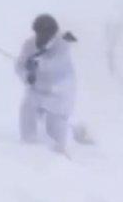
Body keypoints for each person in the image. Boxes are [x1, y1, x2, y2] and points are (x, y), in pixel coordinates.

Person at [15, 14, 77, 152]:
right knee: (27, 108)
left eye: (47, 34)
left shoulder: (63, 45)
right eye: (40, 33)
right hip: (37, 91)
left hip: (59, 94)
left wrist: (37, 64)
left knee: (55, 126)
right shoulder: (29, 45)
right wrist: (27, 75)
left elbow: (56, 65)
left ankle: (59, 157)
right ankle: (28, 146)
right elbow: (19, 66)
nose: (43, 37)